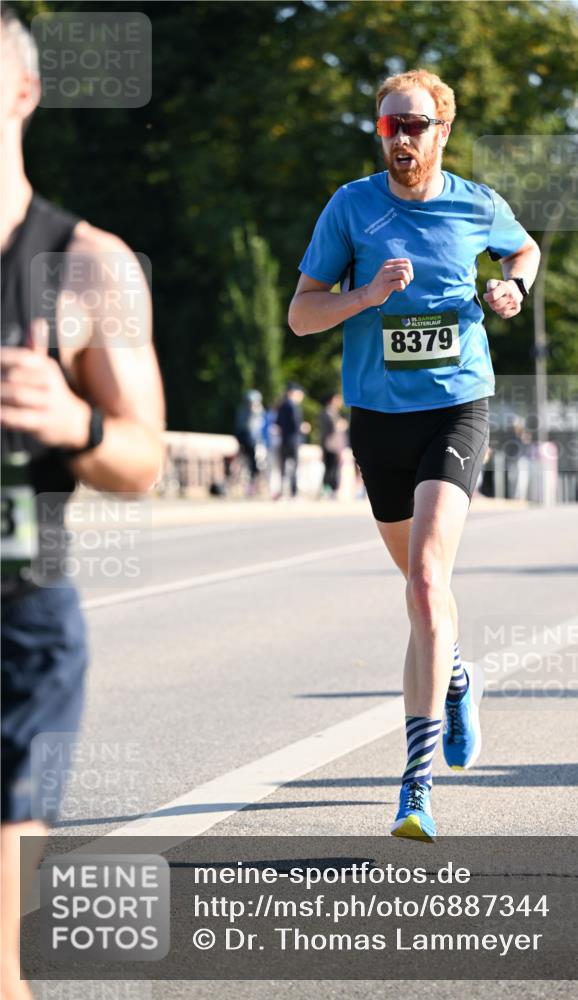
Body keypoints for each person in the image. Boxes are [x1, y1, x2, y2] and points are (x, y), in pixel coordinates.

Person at [289, 68, 540, 841]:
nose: (402, 137)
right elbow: (301, 316)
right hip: (377, 417)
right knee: (417, 586)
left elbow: (522, 250)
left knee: (429, 581)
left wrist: (512, 291)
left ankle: (414, 787)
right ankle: (456, 675)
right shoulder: (351, 206)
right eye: (389, 125)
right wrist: (363, 297)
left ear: (442, 130)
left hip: (457, 405)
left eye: (416, 124)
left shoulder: (475, 204)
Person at [0, 9, 165, 996]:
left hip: (17, 623)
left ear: (21, 95)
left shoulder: (89, 262)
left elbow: (143, 459)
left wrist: (75, 424)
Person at [274, 381, 306, 499]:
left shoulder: (281, 405)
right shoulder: (293, 406)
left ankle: (282, 491)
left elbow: (277, 423)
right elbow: (296, 424)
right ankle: (293, 492)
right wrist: (303, 428)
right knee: (294, 466)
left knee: (283, 467)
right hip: (294, 440)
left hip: (284, 440)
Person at [234, 388, 265, 495]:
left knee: (256, 466)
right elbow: (240, 429)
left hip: (256, 444)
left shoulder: (260, 413)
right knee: (244, 466)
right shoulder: (243, 413)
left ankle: (255, 487)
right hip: (246, 443)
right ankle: (245, 488)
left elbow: (261, 430)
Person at [318, 391, 346, 498]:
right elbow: (325, 432)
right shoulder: (326, 413)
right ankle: (327, 489)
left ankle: (333, 489)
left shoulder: (336, 413)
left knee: (335, 468)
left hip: (337, 445)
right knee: (329, 468)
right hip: (330, 445)